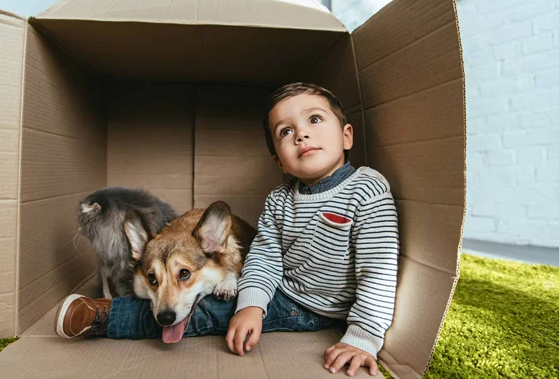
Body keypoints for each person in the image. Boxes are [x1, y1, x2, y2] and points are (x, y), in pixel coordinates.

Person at [55, 83, 399, 377]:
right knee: (226, 307)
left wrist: (363, 335)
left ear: (347, 135)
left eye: (314, 119)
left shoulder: (366, 188)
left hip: (317, 306)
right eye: (285, 131)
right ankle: (107, 310)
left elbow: (379, 269)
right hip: (279, 290)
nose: (302, 134)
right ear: (279, 160)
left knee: (206, 315)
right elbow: (264, 258)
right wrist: (251, 303)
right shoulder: (279, 199)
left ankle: (107, 317)